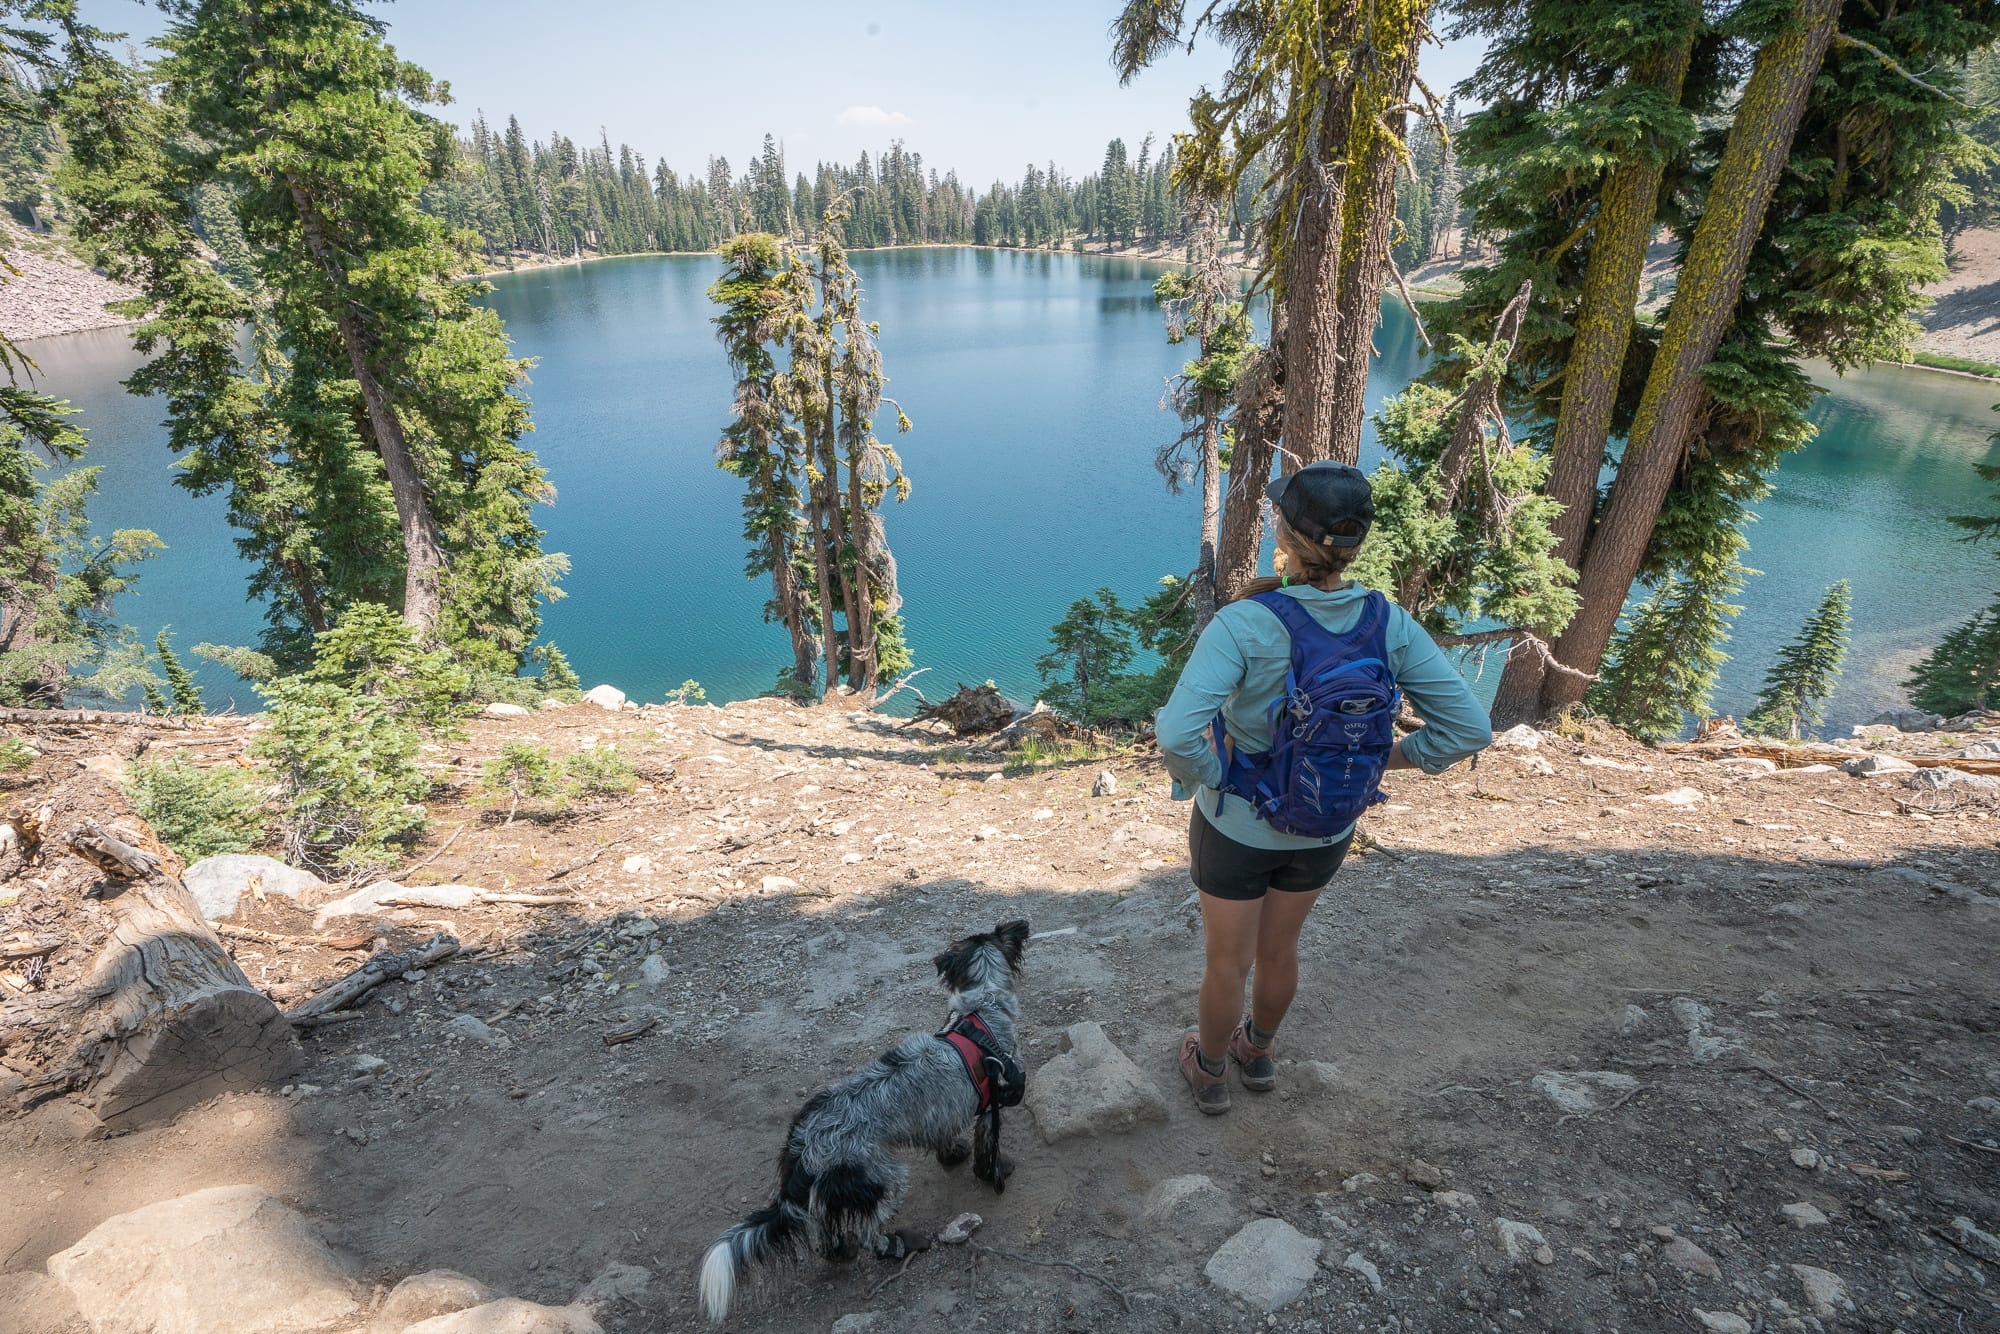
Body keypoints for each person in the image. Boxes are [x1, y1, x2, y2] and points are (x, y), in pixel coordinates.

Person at [1154, 462, 1492, 1114]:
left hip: (1237, 825)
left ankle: (1211, 1069)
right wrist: (1384, 760)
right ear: (1353, 545)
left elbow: (1176, 734)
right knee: (1281, 950)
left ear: (1283, 531)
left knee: (1229, 963)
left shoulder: (1243, 623)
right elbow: (1469, 727)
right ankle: (1260, 1053)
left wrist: (1209, 775)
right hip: (1327, 825)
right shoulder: (1385, 622)